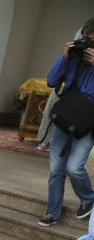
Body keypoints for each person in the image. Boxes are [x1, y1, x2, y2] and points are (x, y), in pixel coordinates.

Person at [37, 18, 94, 227]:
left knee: (74, 168)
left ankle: (88, 198)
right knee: (56, 169)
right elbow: (52, 80)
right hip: (66, 118)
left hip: (88, 124)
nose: (90, 46)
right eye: (87, 40)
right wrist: (65, 57)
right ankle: (52, 212)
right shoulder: (75, 58)